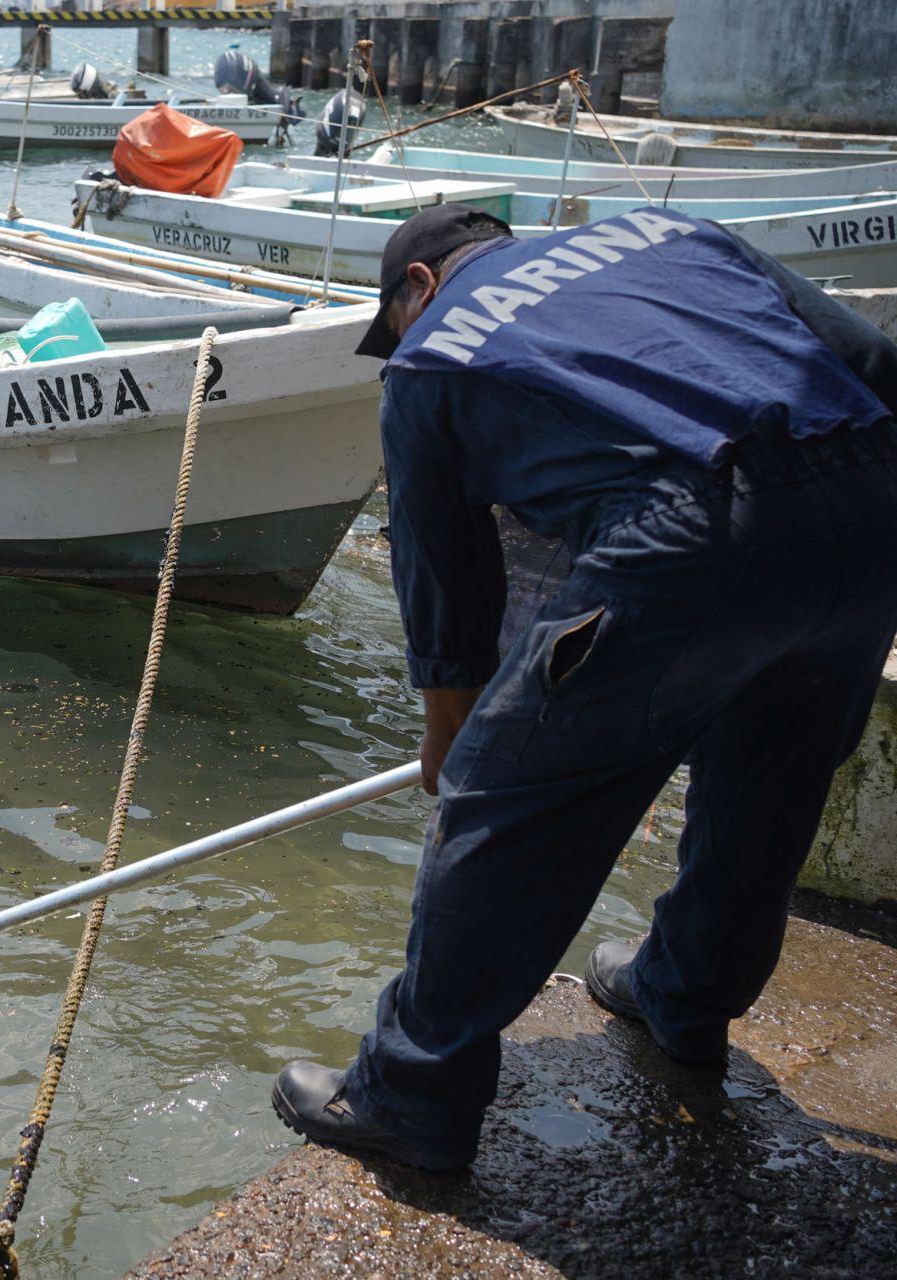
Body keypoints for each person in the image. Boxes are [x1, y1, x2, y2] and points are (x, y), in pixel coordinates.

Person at [270, 202, 897, 1171]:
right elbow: (872, 361)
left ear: (418, 287)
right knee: (770, 774)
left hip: (691, 526)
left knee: (505, 797)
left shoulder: (429, 357)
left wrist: (454, 735)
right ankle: (683, 998)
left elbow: (445, 581)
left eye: (391, 323)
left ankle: (412, 1094)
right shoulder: (670, 230)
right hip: (870, 499)